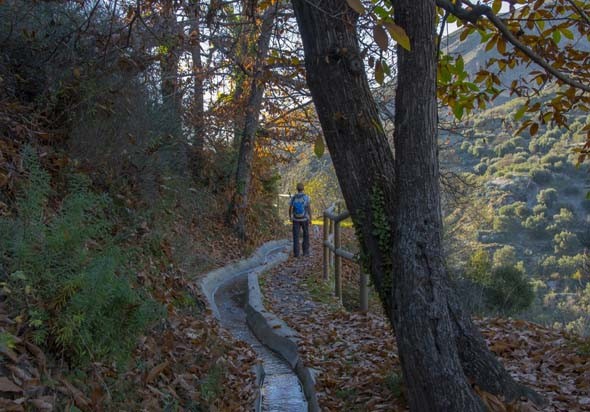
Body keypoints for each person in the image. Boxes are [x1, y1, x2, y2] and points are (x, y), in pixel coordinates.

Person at [289, 182, 312, 257]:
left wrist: (290, 217)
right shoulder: (306, 197)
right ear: (303, 189)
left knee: (296, 236)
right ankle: (305, 252)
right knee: (306, 235)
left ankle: (296, 253)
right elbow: (308, 208)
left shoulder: (294, 197)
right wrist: (310, 218)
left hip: (296, 219)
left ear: (297, 189)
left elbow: (290, 208)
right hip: (304, 219)